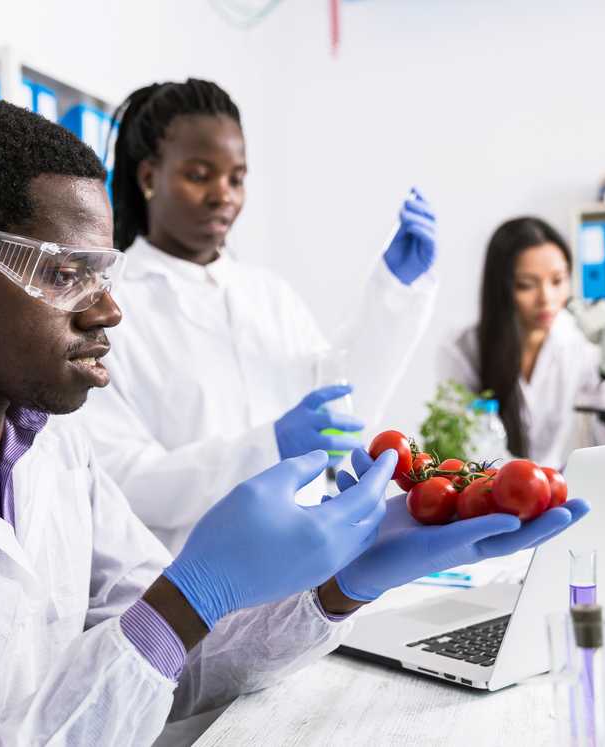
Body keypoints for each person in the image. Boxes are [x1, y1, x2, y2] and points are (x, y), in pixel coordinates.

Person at [0, 97, 588, 745]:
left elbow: (177, 663)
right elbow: (164, 627)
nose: (108, 310)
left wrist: (340, 586)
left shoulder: (49, 441)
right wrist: (186, 593)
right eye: (65, 275)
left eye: (107, 275)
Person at [78, 78, 440, 553]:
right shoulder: (109, 305)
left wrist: (394, 290)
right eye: (199, 174)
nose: (222, 194)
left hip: (299, 568)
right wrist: (265, 448)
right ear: (149, 177)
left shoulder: (269, 295)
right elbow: (121, 478)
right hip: (183, 586)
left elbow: (342, 399)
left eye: (236, 178)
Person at [435, 217, 605, 468]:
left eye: (558, 281)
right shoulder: (463, 350)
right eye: (526, 285)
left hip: (554, 489)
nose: (546, 298)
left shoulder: (576, 345)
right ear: (501, 288)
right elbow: (467, 449)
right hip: (488, 490)